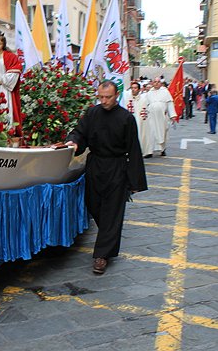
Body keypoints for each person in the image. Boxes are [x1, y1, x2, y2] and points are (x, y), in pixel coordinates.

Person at [65, 81, 147, 275]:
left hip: (117, 167)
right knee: (93, 205)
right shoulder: (92, 113)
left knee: (112, 211)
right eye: (100, 97)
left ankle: (101, 256)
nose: (104, 101)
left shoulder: (126, 118)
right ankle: (109, 235)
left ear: (116, 95)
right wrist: (74, 141)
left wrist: (134, 181)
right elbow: (79, 132)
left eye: (108, 97)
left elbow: (134, 149)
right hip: (95, 165)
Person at [0, 30, 23, 133]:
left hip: (4, 89)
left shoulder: (10, 57)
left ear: (3, 44)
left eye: (0, 43)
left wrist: (1, 80)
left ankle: (7, 133)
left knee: (4, 109)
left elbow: (16, 71)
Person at [146, 77, 177, 156]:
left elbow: (170, 104)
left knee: (163, 132)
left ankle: (162, 149)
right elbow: (146, 104)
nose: (156, 83)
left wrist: (172, 115)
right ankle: (150, 151)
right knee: (151, 133)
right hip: (152, 117)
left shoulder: (165, 92)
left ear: (161, 83)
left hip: (162, 117)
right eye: (155, 82)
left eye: (158, 82)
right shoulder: (149, 92)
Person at [125, 82, 154, 158]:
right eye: (132, 88)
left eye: (135, 88)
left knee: (143, 135)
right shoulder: (127, 98)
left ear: (139, 89)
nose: (133, 90)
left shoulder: (144, 99)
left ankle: (144, 150)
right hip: (130, 120)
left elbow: (146, 110)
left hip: (141, 121)